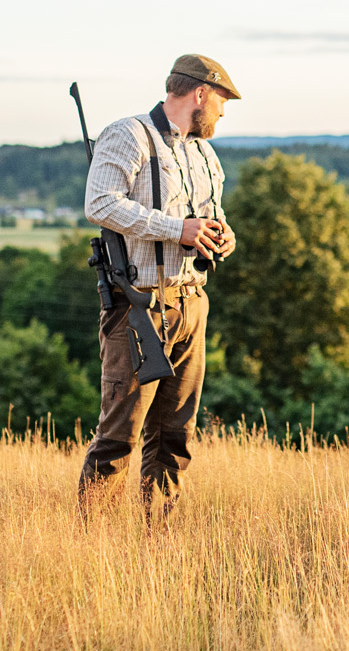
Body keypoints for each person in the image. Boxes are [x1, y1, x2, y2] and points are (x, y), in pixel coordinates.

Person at [78, 54, 240, 518]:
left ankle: (159, 544)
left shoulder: (204, 153)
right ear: (200, 94)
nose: (222, 114)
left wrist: (222, 236)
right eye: (222, 102)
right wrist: (177, 229)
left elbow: (211, 218)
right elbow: (100, 203)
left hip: (192, 303)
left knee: (175, 436)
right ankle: (93, 547)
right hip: (139, 306)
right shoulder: (128, 135)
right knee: (119, 437)